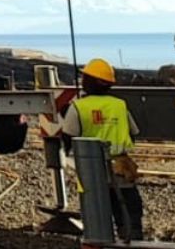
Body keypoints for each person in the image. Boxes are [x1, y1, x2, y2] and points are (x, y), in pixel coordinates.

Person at [60, 58, 143, 242]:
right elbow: (133, 133)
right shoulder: (119, 105)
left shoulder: (78, 107)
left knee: (96, 216)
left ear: (89, 82)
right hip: (121, 168)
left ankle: (99, 241)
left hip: (91, 171)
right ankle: (132, 240)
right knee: (129, 212)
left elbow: (67, 138)